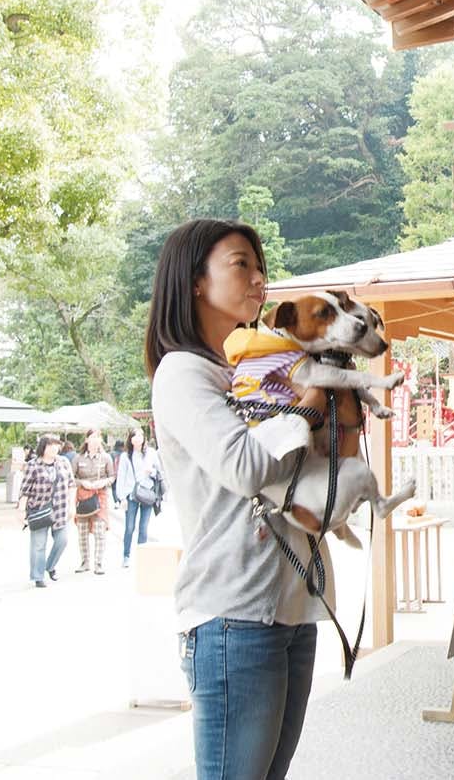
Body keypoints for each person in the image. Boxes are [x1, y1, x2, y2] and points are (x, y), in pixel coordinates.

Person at [147, 219, 334, 780]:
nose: (259, 278)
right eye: (241, 264)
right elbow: (246, 467)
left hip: (292, 606)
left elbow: (307, 467)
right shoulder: (184, 374)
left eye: (260, 266)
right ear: (196, 282)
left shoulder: (250, 372)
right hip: (233, 614)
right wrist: (315, 397)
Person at [20, 434, 74, 587]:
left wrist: (72, 506)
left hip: (61, 508)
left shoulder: (64, 462)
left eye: (56, 445)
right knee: (38, 544)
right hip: (39, 509)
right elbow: (25, 489)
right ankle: (38, 576)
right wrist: (21, 510)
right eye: (51, 446)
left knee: (62, 540)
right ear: (43, 447)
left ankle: (49, 565)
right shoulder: (33, 465)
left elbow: (71, 484)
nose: (54, 449)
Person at [116, 428, 164, 568]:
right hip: (131, 494)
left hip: (147, 493)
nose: (137, 438)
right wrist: (121, 498)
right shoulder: (126, 456)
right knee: (129, 527)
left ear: (144, 438)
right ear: (130, 439)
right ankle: (126, 555)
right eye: (134, 436)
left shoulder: (151, 453)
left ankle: (141, 556)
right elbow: (121, 477)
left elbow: (160, 472)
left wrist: (152, 472)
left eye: (140, 435)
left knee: (144, 527)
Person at [72, 428, 115, 575]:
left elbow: (112, 476)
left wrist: (102, 483)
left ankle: (98, 563)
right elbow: (71, 478)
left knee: (99, 530)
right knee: (82, 531)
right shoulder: (78, 458)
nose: (95, 440)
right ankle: (85, 562)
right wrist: (82, 483)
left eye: (98, 437)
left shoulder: (106, 458)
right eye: (92, 437)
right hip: (83, 497)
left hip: (99, 496)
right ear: (86, 440)